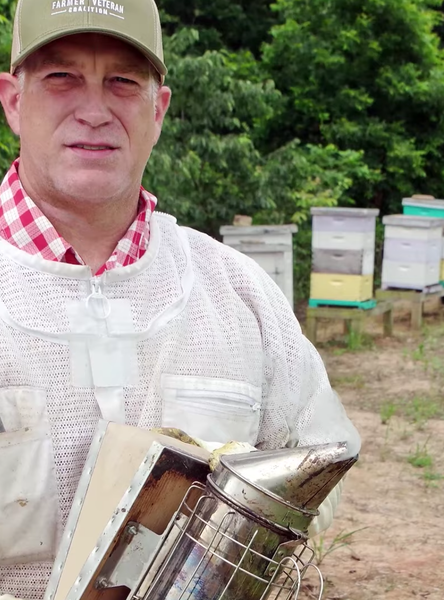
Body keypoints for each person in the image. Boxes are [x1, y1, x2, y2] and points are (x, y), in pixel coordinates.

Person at [0, 0, 360, 598]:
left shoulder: (237, 291)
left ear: (158, 109)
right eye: (61, 78)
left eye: (122, 81)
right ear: (13, 100)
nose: (94, 110)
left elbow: (319, 464)